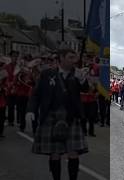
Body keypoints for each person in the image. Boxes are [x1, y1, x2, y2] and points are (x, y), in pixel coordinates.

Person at [25, 48, 89, 180]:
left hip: (71, 117)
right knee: (55, 154)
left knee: (73, 153)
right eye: (70, 57)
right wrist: (30, 111)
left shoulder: (76, 74)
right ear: (61, 58)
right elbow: (36, 95)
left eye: (74, 58)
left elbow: (85, 89)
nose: (74, 61)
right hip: (51, 116)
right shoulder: (47, 74)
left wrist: (82, 80)